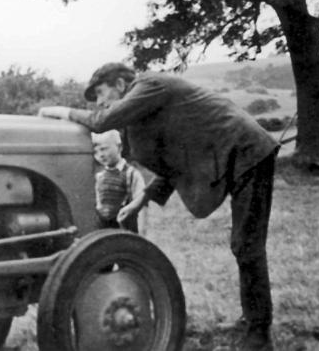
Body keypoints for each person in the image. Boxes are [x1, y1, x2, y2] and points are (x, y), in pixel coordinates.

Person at [39, 62, 280, 351]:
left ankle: (259, 333)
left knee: (246, 245)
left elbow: (102, 120)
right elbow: (170, 163)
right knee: (243, 245)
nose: (100, 102)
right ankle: (250, 318)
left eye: (102, 93)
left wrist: (59, 112)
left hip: (248, 151)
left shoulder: (150, 85)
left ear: (119, 84)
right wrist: (142, 198)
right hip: (231, 155)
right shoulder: (143, 116)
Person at [91, 130, 146, 233]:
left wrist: (142, 230)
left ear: (119, 147)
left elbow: (141, 203)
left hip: (125, 227)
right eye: (96, 152)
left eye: (104, 149)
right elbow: (99, 205)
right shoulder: (100, 176)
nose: (100, 155)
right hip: (103, 227)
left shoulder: (131, 174)